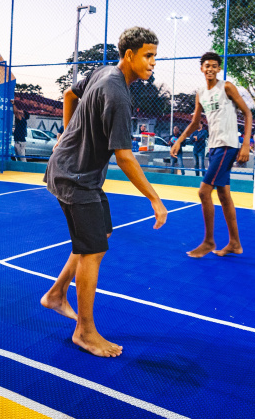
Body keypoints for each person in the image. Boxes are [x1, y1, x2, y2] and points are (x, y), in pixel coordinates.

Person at [41, 26, 168, 358]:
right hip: (75, 177)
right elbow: (125, 157)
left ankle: (56, 294)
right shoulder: (118, 94)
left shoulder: (104, 71)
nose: (153, 62)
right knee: (93, 250)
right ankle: (84, 331)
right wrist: (154, 198)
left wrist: (65, 136)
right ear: (130, 55)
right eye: (148, 55)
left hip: (78, 173)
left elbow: (70, 95)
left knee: (100, 235)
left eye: (155, 56)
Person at [171, 52, 251, 258]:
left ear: (218, 69)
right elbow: (196, 123)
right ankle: (235, 243)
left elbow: (247, 113)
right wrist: (179, 140)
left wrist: (245, 145)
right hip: (214, 147)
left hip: (228, 145)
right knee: (224, 195)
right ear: (201, 68)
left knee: (203, 192)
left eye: (214, 66)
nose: (210, 69)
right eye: (207, 65)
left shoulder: (227, 87)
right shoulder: (200, 93)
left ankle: (208, 241)